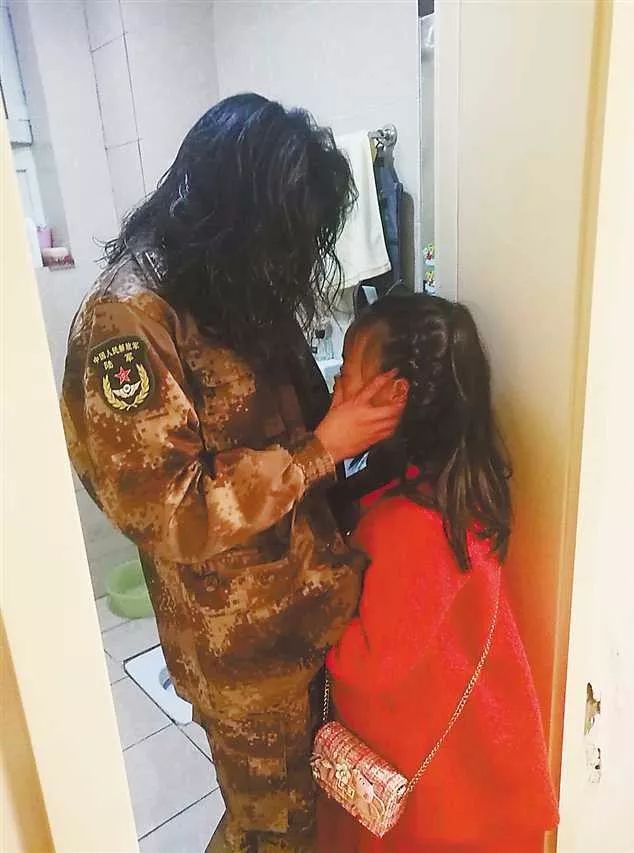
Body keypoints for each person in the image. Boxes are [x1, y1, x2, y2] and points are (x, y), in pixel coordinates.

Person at [60, 94, 404, 852]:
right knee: (273, 830)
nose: (290, 265)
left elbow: (289, 418)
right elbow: (169, 511)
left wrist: (347, 417)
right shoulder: (127, 324)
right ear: (231, 214)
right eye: (282, 241)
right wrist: (323, 448)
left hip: (308, 612)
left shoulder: (233, 278)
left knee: (303, 816)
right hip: (243, 654)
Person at [318, 293, 560, 852]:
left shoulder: (410, 526)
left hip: (450, 800)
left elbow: (374, 660)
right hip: (470, 764)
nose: (335, 385)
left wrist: (315, 620)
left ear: (394, 394)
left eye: (347, 372)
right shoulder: (451, 487)